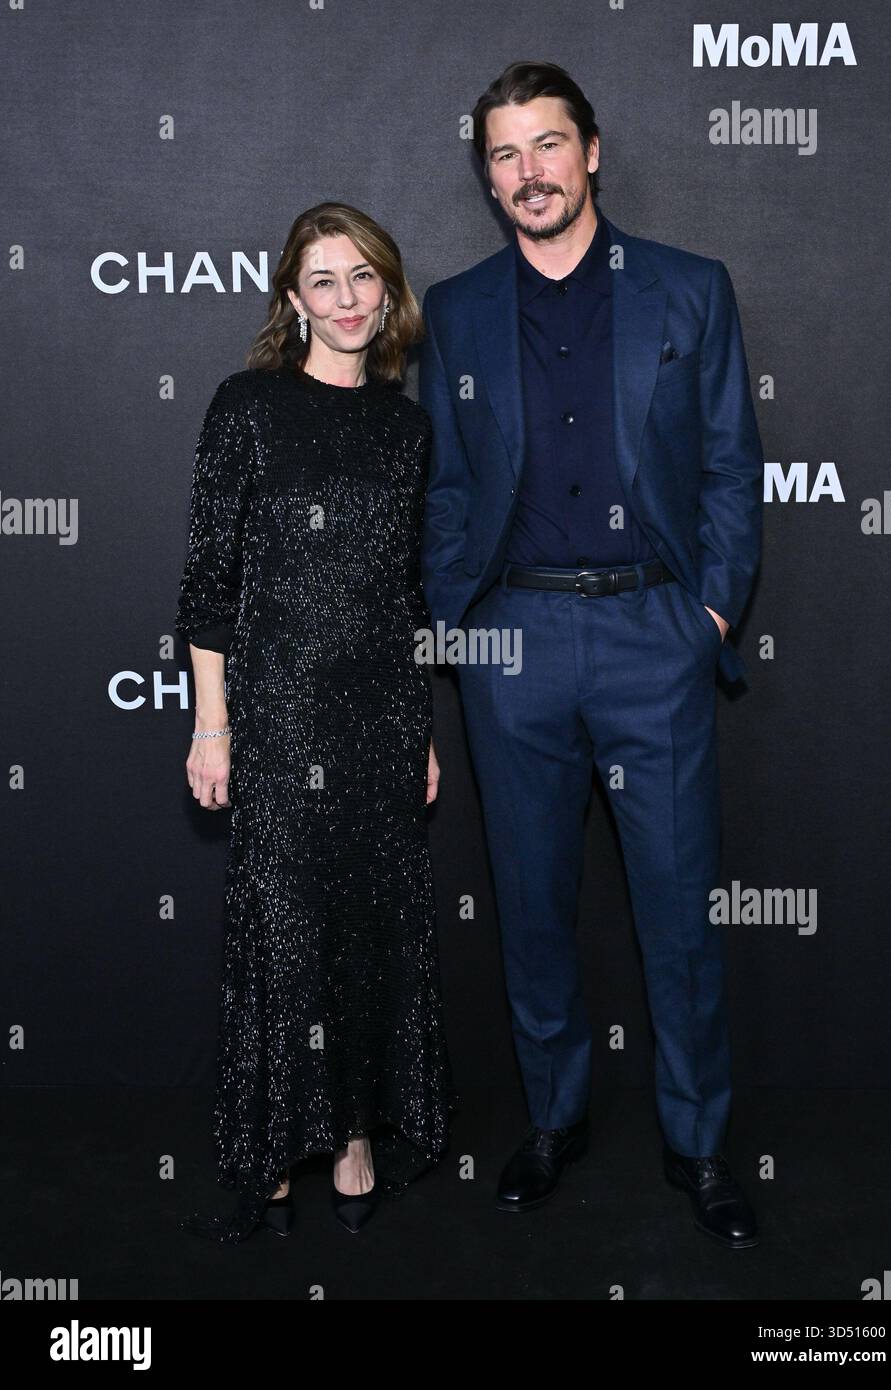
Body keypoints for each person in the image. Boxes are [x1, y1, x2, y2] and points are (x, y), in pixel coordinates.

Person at [419, 62, 763, 1248]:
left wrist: (707, 617)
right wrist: (459, 630)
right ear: (487, 172)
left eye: (548, 146)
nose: (529, 173)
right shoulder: (457, 309)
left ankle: (701, 1141)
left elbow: (729, 468)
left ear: (593, 151)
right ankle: (555, 1118)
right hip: (513, 639)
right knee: (532, 906)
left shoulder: (688, 288)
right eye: (505, 154)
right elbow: (451, 491)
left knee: (676, 909)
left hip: (650, 634)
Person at [175, 202, 456, 1243]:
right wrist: (215, 729)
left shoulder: (406, 426)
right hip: (281, 717)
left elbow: (402, 592)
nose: (346, 300)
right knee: (287, 937)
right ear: (293, 298)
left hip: (379, 715)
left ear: (389, 292)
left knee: (372, 930)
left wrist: (419, 727)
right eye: (324, 281)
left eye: (364, 278)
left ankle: (353, 1143)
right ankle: (275, 1153)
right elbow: (210, 585)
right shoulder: (247, 407)